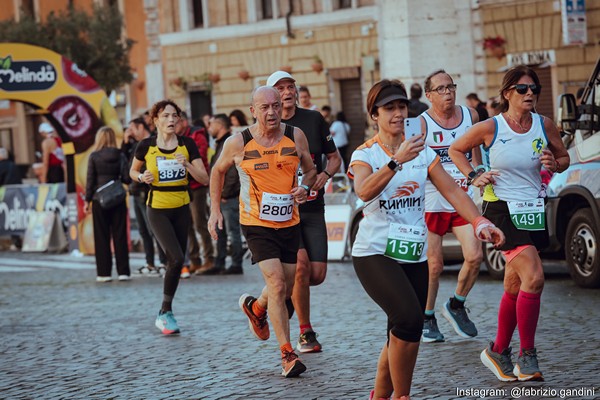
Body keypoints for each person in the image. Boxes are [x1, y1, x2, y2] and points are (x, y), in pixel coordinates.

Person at [349, 79, 505, 400]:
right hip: (375, 252)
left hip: (413, 253)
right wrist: (396, 161)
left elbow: (451, 189)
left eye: (401, 106)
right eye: (388, 108)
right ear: (374, 115)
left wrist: (478, 220)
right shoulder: (366, 153)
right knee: (409, 319)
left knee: (401, 332)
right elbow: (363, 191)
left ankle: (380, 396)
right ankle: (402, 396)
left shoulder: (423, 152)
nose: (397, 113)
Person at [449, 65, 570, 382]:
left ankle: (497, 350)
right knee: (535, 275)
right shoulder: (492, 127)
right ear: (507, 93)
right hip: (500, 208)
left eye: (534, 89)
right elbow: (456, 150)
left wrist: (554, 163)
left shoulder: (544, 125)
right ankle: (526, 356)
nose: (530, 93)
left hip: (533, 208)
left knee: (515, 284)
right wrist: (475, 174)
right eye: (523, 89)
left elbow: (564, 158)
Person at [208, 86, 316, 377]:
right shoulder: (238, 142)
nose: (271, 112)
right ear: (253, 110)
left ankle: (256, 309)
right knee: (278, 284)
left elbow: (310, 169)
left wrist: (305, 187)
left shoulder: (296, 136)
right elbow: (217, 171)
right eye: (264, 107)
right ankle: (287, 354)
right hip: (256, 223)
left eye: (276, 106)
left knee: (286, 284)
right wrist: (215, 211)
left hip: (289, 222)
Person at [267, 70, 342, 354]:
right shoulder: (267, 126)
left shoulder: (313, 119)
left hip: (313, 206)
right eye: (280, 88)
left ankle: (282, 299)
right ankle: (305, 332)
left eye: (290, 87)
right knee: (299, 267)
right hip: (284, 212)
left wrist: (325, 174)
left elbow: (335, 158)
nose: (287, 92)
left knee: (316, 274)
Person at [130, 100, 209, 335]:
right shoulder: (146, 146)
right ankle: (165, 312)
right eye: (166, 116)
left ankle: (166, 311)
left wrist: (187, 165)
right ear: (155, 120)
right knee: (175, 258)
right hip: (157, 208)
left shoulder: (187, 145)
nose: (171, 120)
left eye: (175, 115)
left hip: (182, 206)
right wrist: (141, 176)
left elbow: (204, 178)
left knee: (177, 261)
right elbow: (132, 171)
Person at [420, 69, 483, 344]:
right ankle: (427, 316)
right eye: (441, 89)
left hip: (463, 196)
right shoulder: (421, 124)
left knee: (475, 255)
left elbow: (476, 155)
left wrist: (481, 176)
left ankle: (456, 305)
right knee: (434, 265)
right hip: (433, 198)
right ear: (429, 95)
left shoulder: (471, 116)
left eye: (451, 87)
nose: (447, 93)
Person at [84, 126, 132, 282]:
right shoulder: (120, 155)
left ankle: (104, 273)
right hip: (118, 199)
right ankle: (123, 272)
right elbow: (126, 178)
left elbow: (90, 181)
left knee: (101, 236)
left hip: (99, 200)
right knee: (120, 236)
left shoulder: (94, 157)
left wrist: (87, 200)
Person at [122, 117, 167, 275]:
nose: (130, 132)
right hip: (135, 190)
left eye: (132, 128)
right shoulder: (135, 145)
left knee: (154, 229)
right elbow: (126, 167)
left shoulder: (152, 142)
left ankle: (163, 261)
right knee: (143, 230)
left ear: (141, 127)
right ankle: (150, 263)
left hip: (147, 191)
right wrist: (126, 144)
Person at [175, 111, 214, 277]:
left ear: (183, 122)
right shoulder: (176, 138)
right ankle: (194, 259)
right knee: (187, 225)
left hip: (197, 185)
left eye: (175, 122)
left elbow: (199, 156)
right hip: (183, 185)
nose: (172, 125)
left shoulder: (197, 135)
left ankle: (209, 258)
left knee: (199, 222)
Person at [208, 114, 244, 275]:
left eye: (211, 124)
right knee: (220, 232)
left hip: (228, 198)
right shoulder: (219, 144)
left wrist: (224, 193)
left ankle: (236, 264)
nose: (209, 128)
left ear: (219, 125)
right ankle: (219, 262)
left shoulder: (229, 143)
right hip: (220, 197)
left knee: (233, 232)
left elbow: (232, 174)